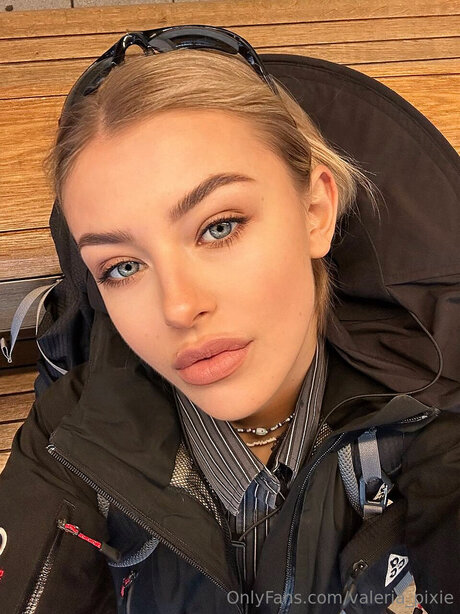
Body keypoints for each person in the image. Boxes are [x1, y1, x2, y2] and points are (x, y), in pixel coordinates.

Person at [0, 25, 459, 614]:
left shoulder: (435, 423)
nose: (178, 307)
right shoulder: (68, 434)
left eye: (219, 227)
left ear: (315, 210)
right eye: (122, 267)